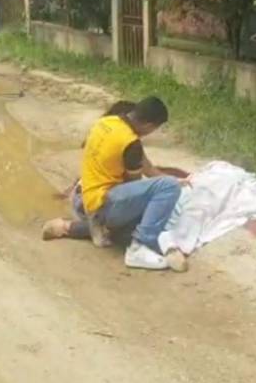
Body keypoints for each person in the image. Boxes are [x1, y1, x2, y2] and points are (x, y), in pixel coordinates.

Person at [73, 97, 188, 272]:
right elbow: (134, 185)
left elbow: (148, 168)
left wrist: (174, 180)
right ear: (149, 125)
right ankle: (140, 247)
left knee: (165, 189)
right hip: (103, 206)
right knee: (166, 192)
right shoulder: (131, 143)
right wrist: (171, 187)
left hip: (82, 199)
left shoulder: (106, 122)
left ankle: (70, 227)